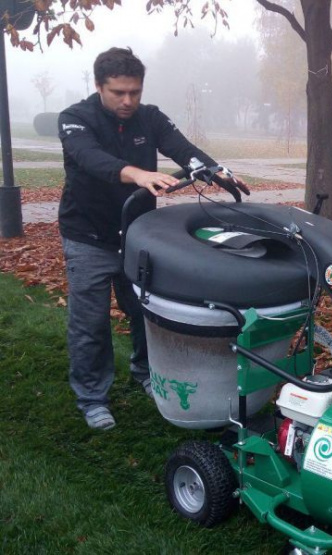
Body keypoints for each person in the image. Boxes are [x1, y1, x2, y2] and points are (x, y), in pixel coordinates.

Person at [58, 47, 248, 431]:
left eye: (135, 92)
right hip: (88, 237)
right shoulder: (75, 119)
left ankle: (145, 371)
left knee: (146, 312)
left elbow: (184, 151)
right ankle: (92, 397)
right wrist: (138, 174)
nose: (128, 101)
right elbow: (89, 158)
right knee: (90, 322)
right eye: (118, 92)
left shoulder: (150, 118)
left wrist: (217, 171)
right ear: (99, 86)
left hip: (138, 235)